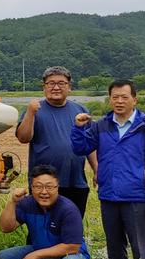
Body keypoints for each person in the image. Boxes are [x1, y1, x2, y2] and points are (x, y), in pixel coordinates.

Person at [71, 79, 145, 259]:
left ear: (134, 100)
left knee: (140, 247)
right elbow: (81, 148)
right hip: (109, 196)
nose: (119, 101)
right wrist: (79, 128)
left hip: (137, 196)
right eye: (114, 97)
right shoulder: (101, 125)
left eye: (124, 97)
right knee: (114, 246)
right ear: (109, 100)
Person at [0, 165, 90, 259]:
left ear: (57, 187)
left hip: (69, 256)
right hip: (40, 252)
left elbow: (72, 247)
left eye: (49, 187)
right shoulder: (27, 204)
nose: (44, 192)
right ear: (31, 188)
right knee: (3, 258)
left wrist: (37, 255)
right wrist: (13, 202)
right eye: (38, 187)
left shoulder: (68, 209)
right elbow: (6, 227)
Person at [15, 66, 97, 216]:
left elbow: (89, 145)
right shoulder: (34, 110)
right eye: (51, 83)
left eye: (61, 83)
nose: (56, 87)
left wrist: (97, 169)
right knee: (43, 228)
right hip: (44, 185)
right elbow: (23, 138)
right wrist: (31, 113)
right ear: (44, 87)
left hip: (76, 181)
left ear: (69, 87)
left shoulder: (80, 110)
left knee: (72, 226)